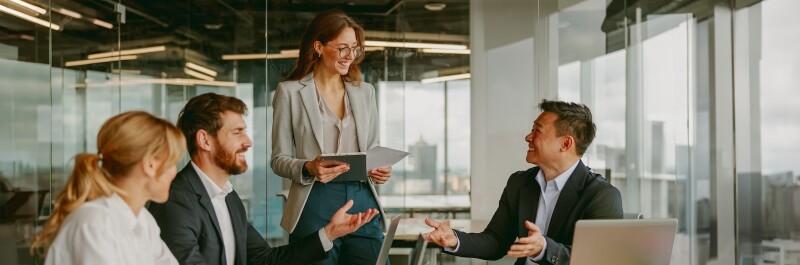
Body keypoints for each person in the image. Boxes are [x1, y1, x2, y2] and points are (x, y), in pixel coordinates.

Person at [148, 93, 379, 265]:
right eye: (237, 132)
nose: (248, 141)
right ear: (205, 140)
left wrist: (330, 233)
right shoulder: (175, 201)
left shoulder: (228, 198)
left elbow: (265, 259)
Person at [424, 100, 624, 265]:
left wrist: (544, 248)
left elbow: (597, 260)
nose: (528, 137)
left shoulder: (602, 195)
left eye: (537, 131)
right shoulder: (520, 183)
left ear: (565, 143)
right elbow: (496, 241)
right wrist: (456, 239)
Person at [271, 9, 392, 265]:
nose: (351, 56)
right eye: (343, 48)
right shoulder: (290, 92)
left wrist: (378, 169)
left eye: (355, 49)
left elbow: (371, 150)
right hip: (314, 199)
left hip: (362, 199)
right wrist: (308, 167)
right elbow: (279, 159)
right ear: (318, 47)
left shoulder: (365, 92)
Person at [30, 111, 186, 265]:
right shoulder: (95, 224)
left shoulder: (144, 220)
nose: (174, 172)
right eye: (172, 163)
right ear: (150, 165)